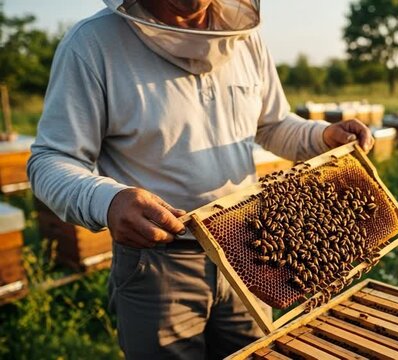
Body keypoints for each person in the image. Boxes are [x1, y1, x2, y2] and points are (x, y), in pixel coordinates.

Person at [27, 0, 374, 358]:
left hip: (254, 250)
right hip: (159, 262)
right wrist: (108, 200)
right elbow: (51, 160)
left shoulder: (244, 37)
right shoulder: (93, 44)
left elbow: (272, 123)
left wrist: (321, 136)